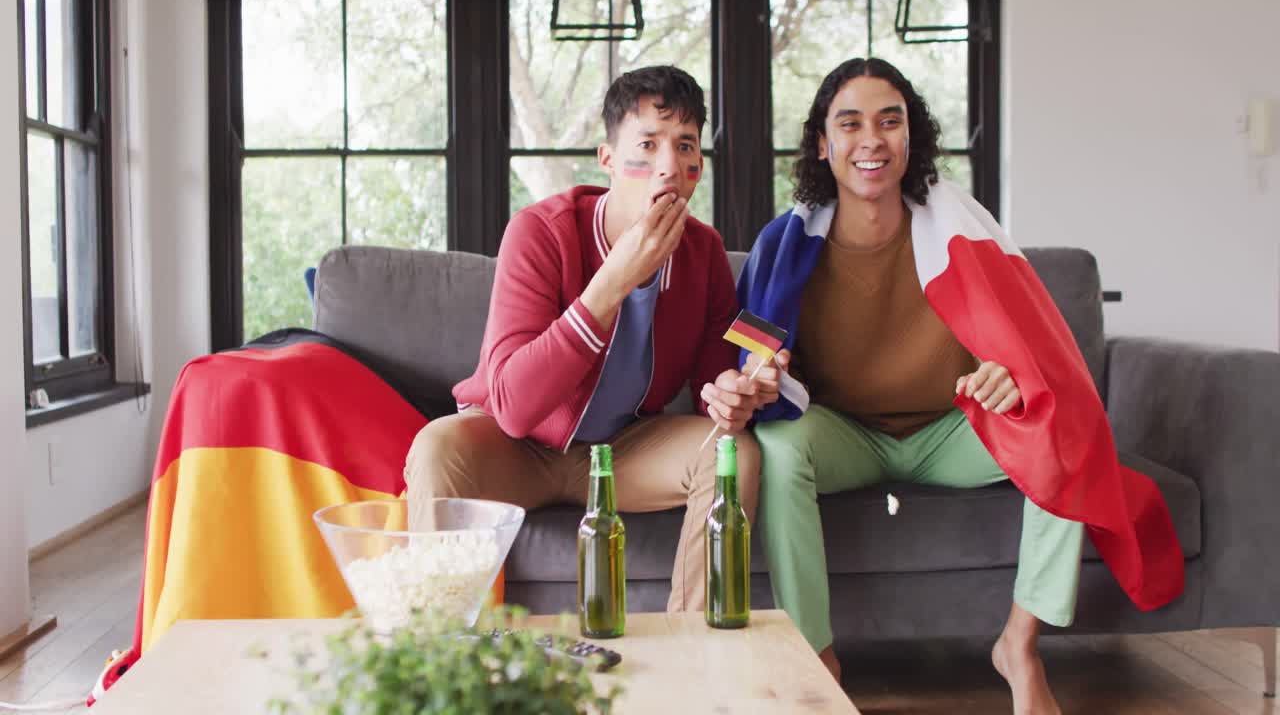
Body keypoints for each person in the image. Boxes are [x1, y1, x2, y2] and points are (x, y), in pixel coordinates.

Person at [738, 58, 1182, 714]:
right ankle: (817, 655)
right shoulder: (783, 244)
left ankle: (1019, 644)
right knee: (778, 447)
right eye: (850, 123)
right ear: (823, 144)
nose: (871, 140)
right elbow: (750, 359)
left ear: (911, 137)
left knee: (1062, 424)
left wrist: (1008, 371)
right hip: (846, 435)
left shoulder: (962, 232)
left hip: (952, 428)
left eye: (890, 121)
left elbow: (1029, 350)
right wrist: (762, 375)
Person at [405, 65, 779, 612]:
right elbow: (513, 409)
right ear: (607, 159)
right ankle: (438, 645)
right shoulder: (539, 231)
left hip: (617, 451)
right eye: (647, 145)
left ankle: (695, 641)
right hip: (512, 445)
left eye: (685, 146)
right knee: (435, 445)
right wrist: (613, 281)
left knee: (731, 453)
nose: (668, 167)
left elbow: (712, 385)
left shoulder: (703, 252)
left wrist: (735, 392)